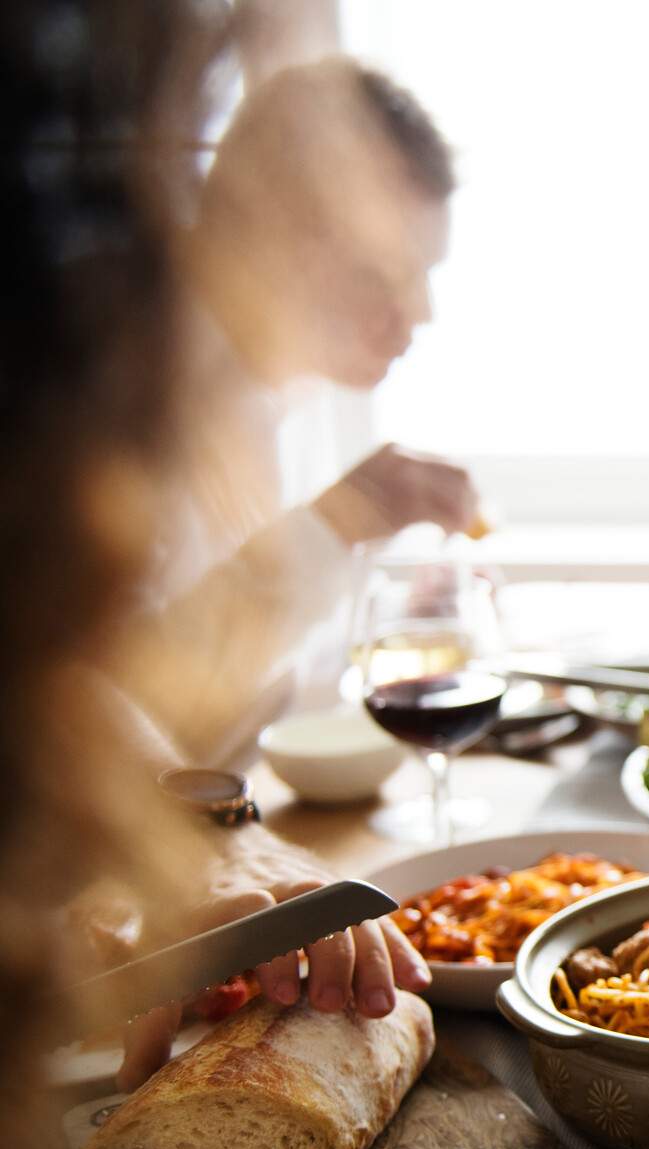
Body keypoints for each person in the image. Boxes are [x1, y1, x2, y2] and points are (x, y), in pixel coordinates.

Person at [0, 7, 649, 1149]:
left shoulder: (255, 410)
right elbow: (78, 675)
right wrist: (207, 826)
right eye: (389, 267)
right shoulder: (98, 406)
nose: (422, 310)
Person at [128, 56, 482, 765]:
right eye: (388, 273)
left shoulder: (293, 391)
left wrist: (402, 605)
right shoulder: (123, 408)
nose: (422, 312)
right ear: (272, 239)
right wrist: (347, 515)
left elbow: (268, 688)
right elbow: (130, 708)